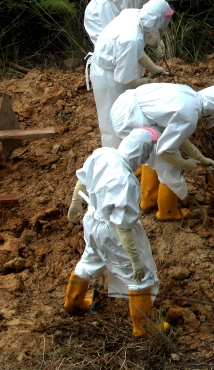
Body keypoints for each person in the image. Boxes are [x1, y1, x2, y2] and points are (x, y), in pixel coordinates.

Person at [64, 128, 167, 337]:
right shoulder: (126, 182)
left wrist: (76, 202)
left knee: (90, 260)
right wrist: (136, 261)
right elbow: (122, 226)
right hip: (112, 230)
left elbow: (83, 178)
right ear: (142, 154)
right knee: (141, 279)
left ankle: (72, 302)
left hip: (92, 220)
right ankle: (143, 327)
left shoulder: (104, 153)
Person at [109, 83, 214, 220]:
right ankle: (167, 212)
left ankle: (148, 198)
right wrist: (185, 164)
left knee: (152, 155)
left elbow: (175, 135)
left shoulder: (189, 92)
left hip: (124, 105)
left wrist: (200, 158)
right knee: (171, 167)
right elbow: (164, 151)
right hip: (130, 119)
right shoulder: (189, 116)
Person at [87, 0, 173, 148]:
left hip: (110, 67)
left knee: (126, 116)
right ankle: (115, 159)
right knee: (113, 121)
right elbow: (125, 79)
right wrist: (141, 82)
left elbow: (136, 51)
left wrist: (153, 68)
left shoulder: (133, 14)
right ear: (156, 22)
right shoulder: (132, 38)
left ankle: (131, 154)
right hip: (108, 77)